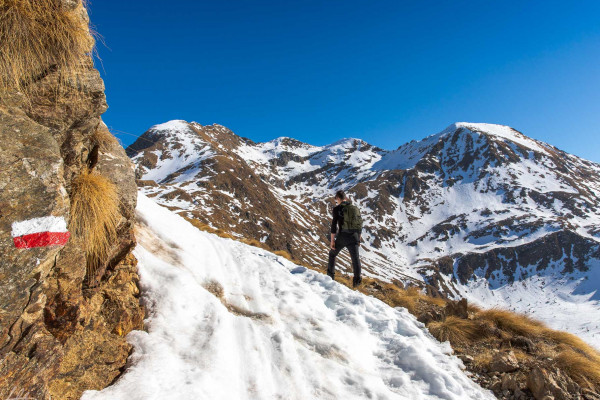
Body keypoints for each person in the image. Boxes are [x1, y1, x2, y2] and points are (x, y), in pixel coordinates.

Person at [327, 190, 363, 288]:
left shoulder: (337, 209)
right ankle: (357, 285)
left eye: (336, 200)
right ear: (345, 198)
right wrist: (358, 239)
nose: (336, 201)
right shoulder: (354, 208)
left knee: (332, 254)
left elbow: (334, 226)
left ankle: (330, 278)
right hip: (354, 237)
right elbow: (359, 224)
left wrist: (332, 241)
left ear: (338, 198)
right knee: (355, 260)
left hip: (343, 236)